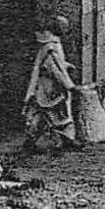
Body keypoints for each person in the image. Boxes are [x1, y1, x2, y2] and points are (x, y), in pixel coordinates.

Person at [22, 13, 80, 153]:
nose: (65, 30)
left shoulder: (51, 45)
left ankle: (63, 140)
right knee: (58, 114)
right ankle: (66, 139)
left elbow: (58, 64)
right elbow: (56, 70)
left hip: (47, 86)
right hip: (49, 87)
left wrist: (66, 65)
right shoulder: (50, 47)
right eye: (63, 27)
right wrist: (70, 86)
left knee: (43, 115)